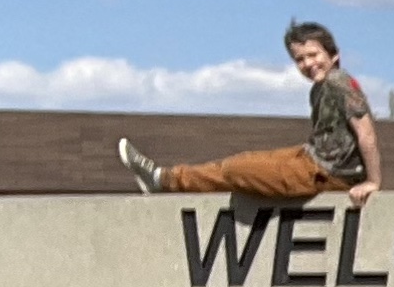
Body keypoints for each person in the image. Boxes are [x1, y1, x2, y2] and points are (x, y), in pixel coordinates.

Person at [120, 21, 380, 204]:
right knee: (237, 163)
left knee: (237, 170)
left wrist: (372, 182)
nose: (308, 64)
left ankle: (164, 180)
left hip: (326, 173)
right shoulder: (319, 89)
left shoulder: (338, 81)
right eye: (300, 59)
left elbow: (366, 133)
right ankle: (162, 178)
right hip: (311, 157)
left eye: (314, 55)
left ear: (334, 55)